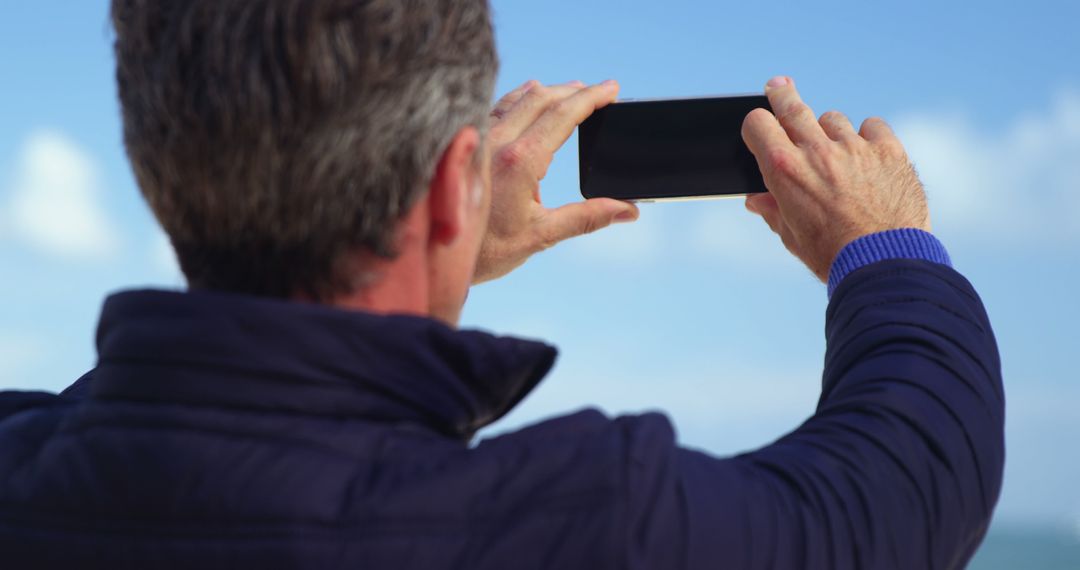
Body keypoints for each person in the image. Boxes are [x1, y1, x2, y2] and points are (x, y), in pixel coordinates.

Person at [0, 1, 1003, 568]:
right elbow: (896, 495)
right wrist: (883, 243)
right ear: (453, 192)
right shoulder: (583, 526)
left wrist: (425, 249)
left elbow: (172, 440)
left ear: (155, 166)